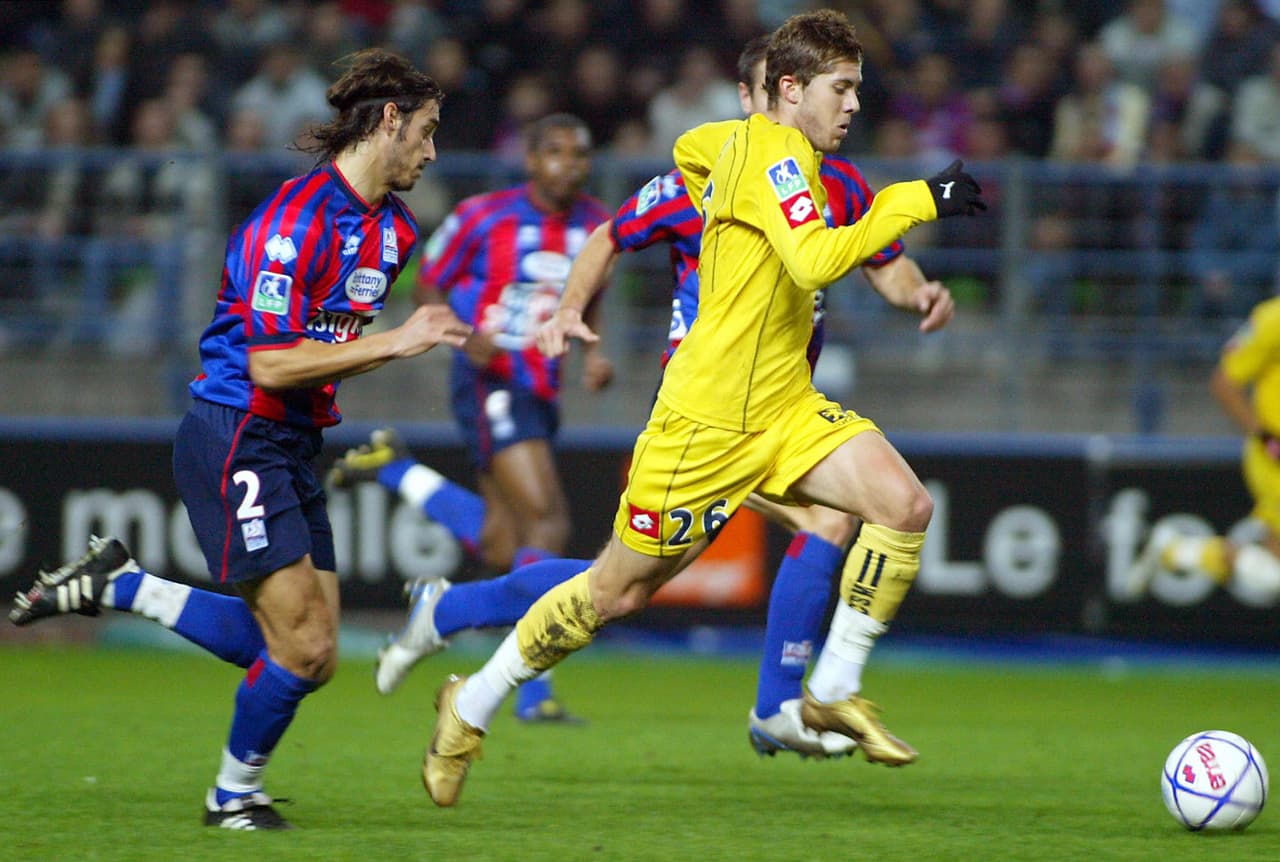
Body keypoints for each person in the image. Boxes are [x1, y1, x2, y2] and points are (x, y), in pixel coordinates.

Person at [333, 32, 955, 761]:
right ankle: (775, 706)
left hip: (784, 403)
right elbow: (608, 238)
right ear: (763, 98)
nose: (846, 105)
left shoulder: (836, 183)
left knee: (831, 523)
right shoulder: (705, 178)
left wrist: (919, 296)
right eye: (765, 92)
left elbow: (884, 262)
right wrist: (570, 306)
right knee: (603, 567)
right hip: (702, 415)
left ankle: (791, 701)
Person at [9, 49, 470, 830]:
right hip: (237, 430)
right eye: (424, 132)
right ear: (388, 120)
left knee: (308, 652)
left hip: (294, 439)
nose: (431, 152)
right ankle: (232, 798)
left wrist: (381, 345)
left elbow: (323, 352)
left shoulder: (393, 232)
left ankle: (124, 587)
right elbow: (269, 360)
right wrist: (397, 341)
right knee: (302, 646)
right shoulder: (292, 221)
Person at [332, 112, 611, 721]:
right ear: (532, 160)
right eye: (558, 152)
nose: (571, 164)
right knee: (548, 525)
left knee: (502, 541)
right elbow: (424, 286)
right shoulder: (483, 215)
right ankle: (531, 695)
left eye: (581, 154)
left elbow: (594, 292)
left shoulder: (596, 224)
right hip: (491, 380)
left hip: (541, 385)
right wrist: (462, 336)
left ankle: (394, 472)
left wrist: (595, 350)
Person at [1125, 296, 1280, 600]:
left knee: (1271, 572)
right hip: (1274, 462)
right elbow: (1224, 383)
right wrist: (1265, 437)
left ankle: (1176, 551)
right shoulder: (1272, 320)